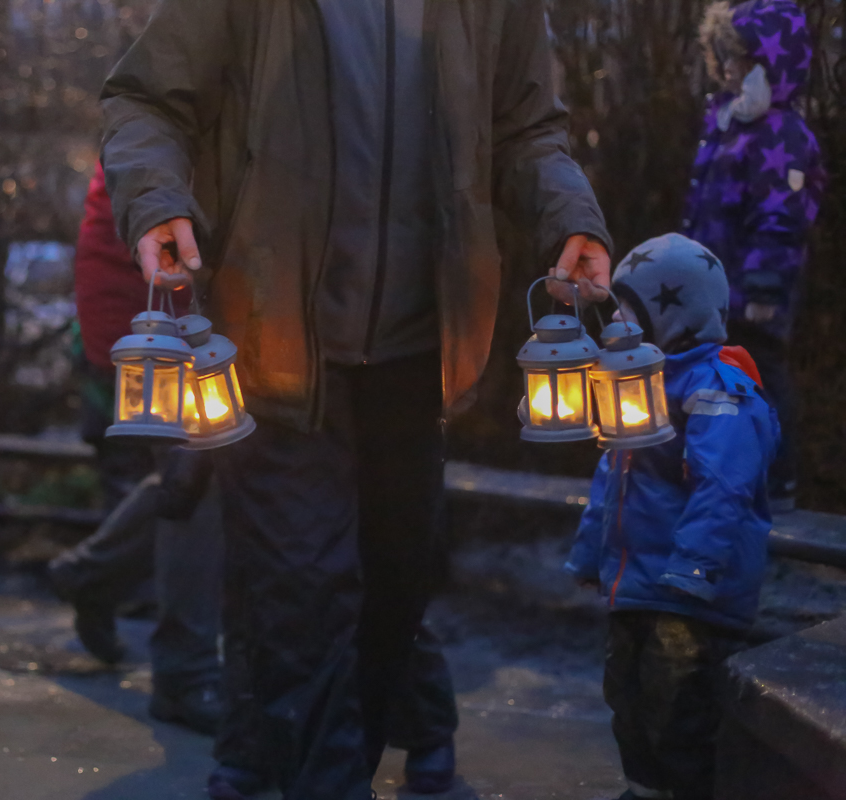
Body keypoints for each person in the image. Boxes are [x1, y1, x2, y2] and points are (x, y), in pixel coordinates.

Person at [100, 3, 613, 797]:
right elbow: (146, 100)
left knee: (392, 598)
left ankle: (285, 765)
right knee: (303, 601)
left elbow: (526, 130)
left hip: (419, 358)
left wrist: (569, 216)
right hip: (273, 351)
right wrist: (156, 199)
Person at [566, 234, 780, 800]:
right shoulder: (639, 385)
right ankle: (643, 789)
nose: (623, 323)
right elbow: (614, 474)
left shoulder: (719, 390)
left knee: (679, 711)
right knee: (628, 701)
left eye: (634, 311)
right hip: (636, 586)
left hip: (686, 597)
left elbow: (724, 486)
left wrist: (694, 568)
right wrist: (593, 552)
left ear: (676, 315)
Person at [51, 163, 226, 735]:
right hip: (166, 333)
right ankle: (185, 672)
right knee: (192, 484)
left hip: (171, 326)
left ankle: (90, 574)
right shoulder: (164, 139)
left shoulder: (155, 139)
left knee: (197, 476)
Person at [683, 0, 826, 512]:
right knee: (722, 380)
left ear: (768, 61)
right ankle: (727, 479)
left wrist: (766, 283)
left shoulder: (781, 135)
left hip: (755, 286)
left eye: (739, 57)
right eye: (722, 55)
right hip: (716, 285)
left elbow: (780, 215)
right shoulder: (728, 122)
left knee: (762, 376)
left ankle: (779, 481)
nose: (728, 67)